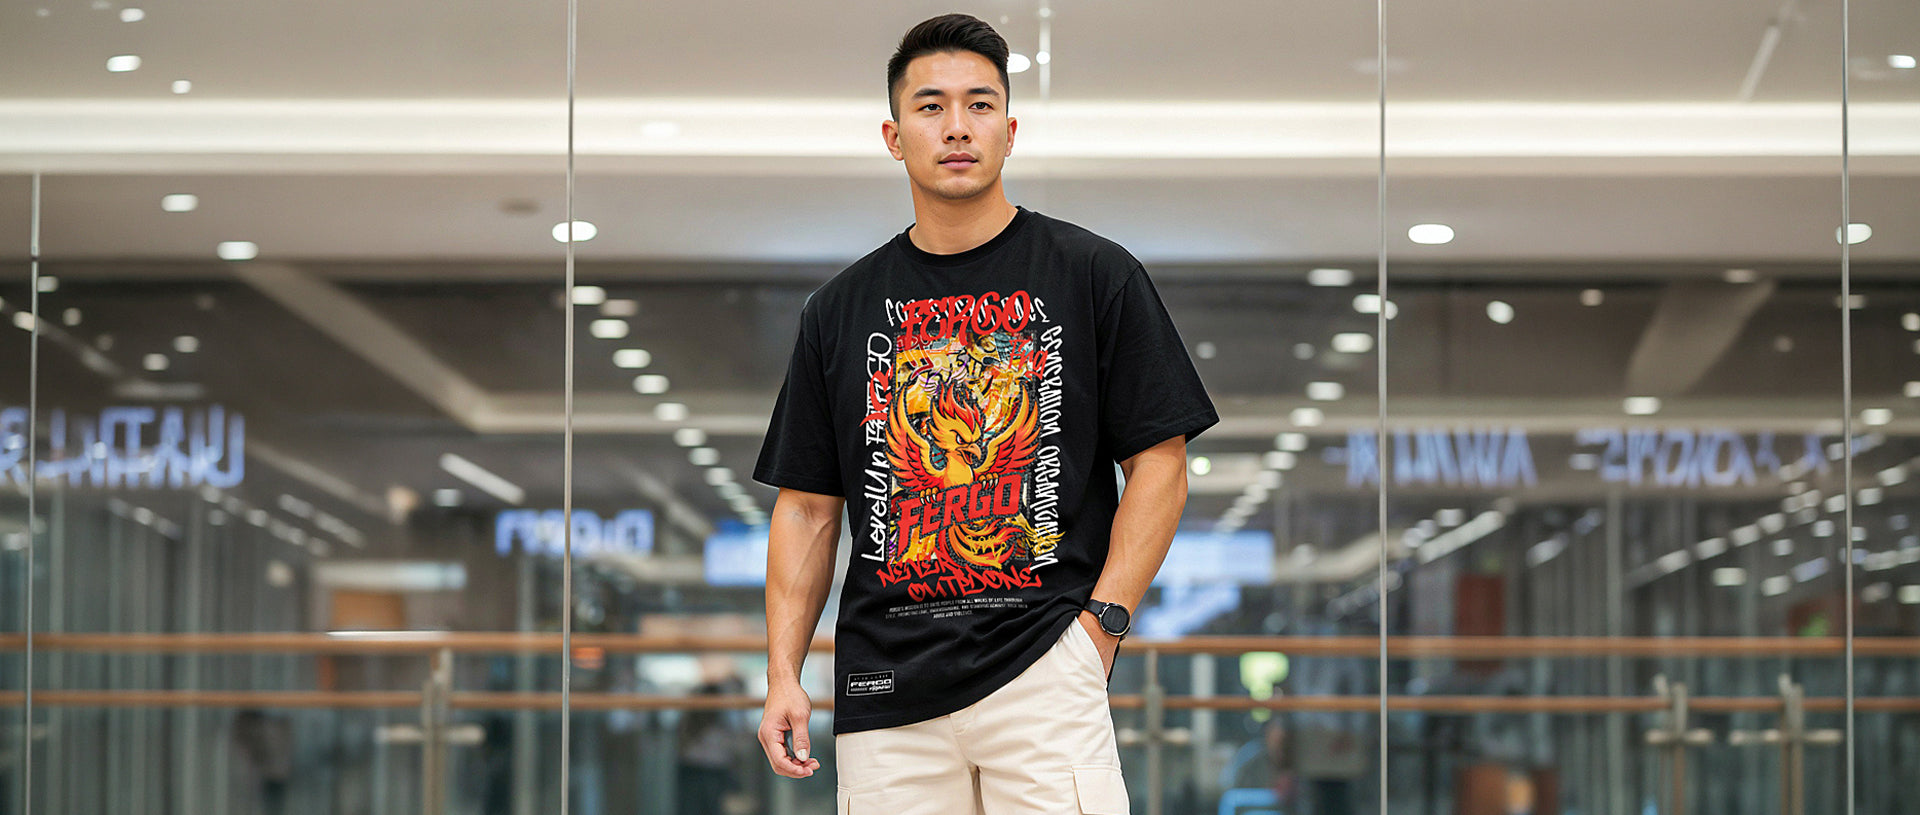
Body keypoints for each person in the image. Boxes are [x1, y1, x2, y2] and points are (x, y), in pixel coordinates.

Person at [751, 13, 1218, 813]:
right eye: (931, 106)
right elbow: (806, 508)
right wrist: (783, 673)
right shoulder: (839, 309)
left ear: (1010, 129)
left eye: (979, 104)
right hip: (885, 690)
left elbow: (1160, 464)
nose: (957, 126)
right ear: (894, 137)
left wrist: (1101, 627)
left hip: (1046, 672)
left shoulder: (1094, 274)